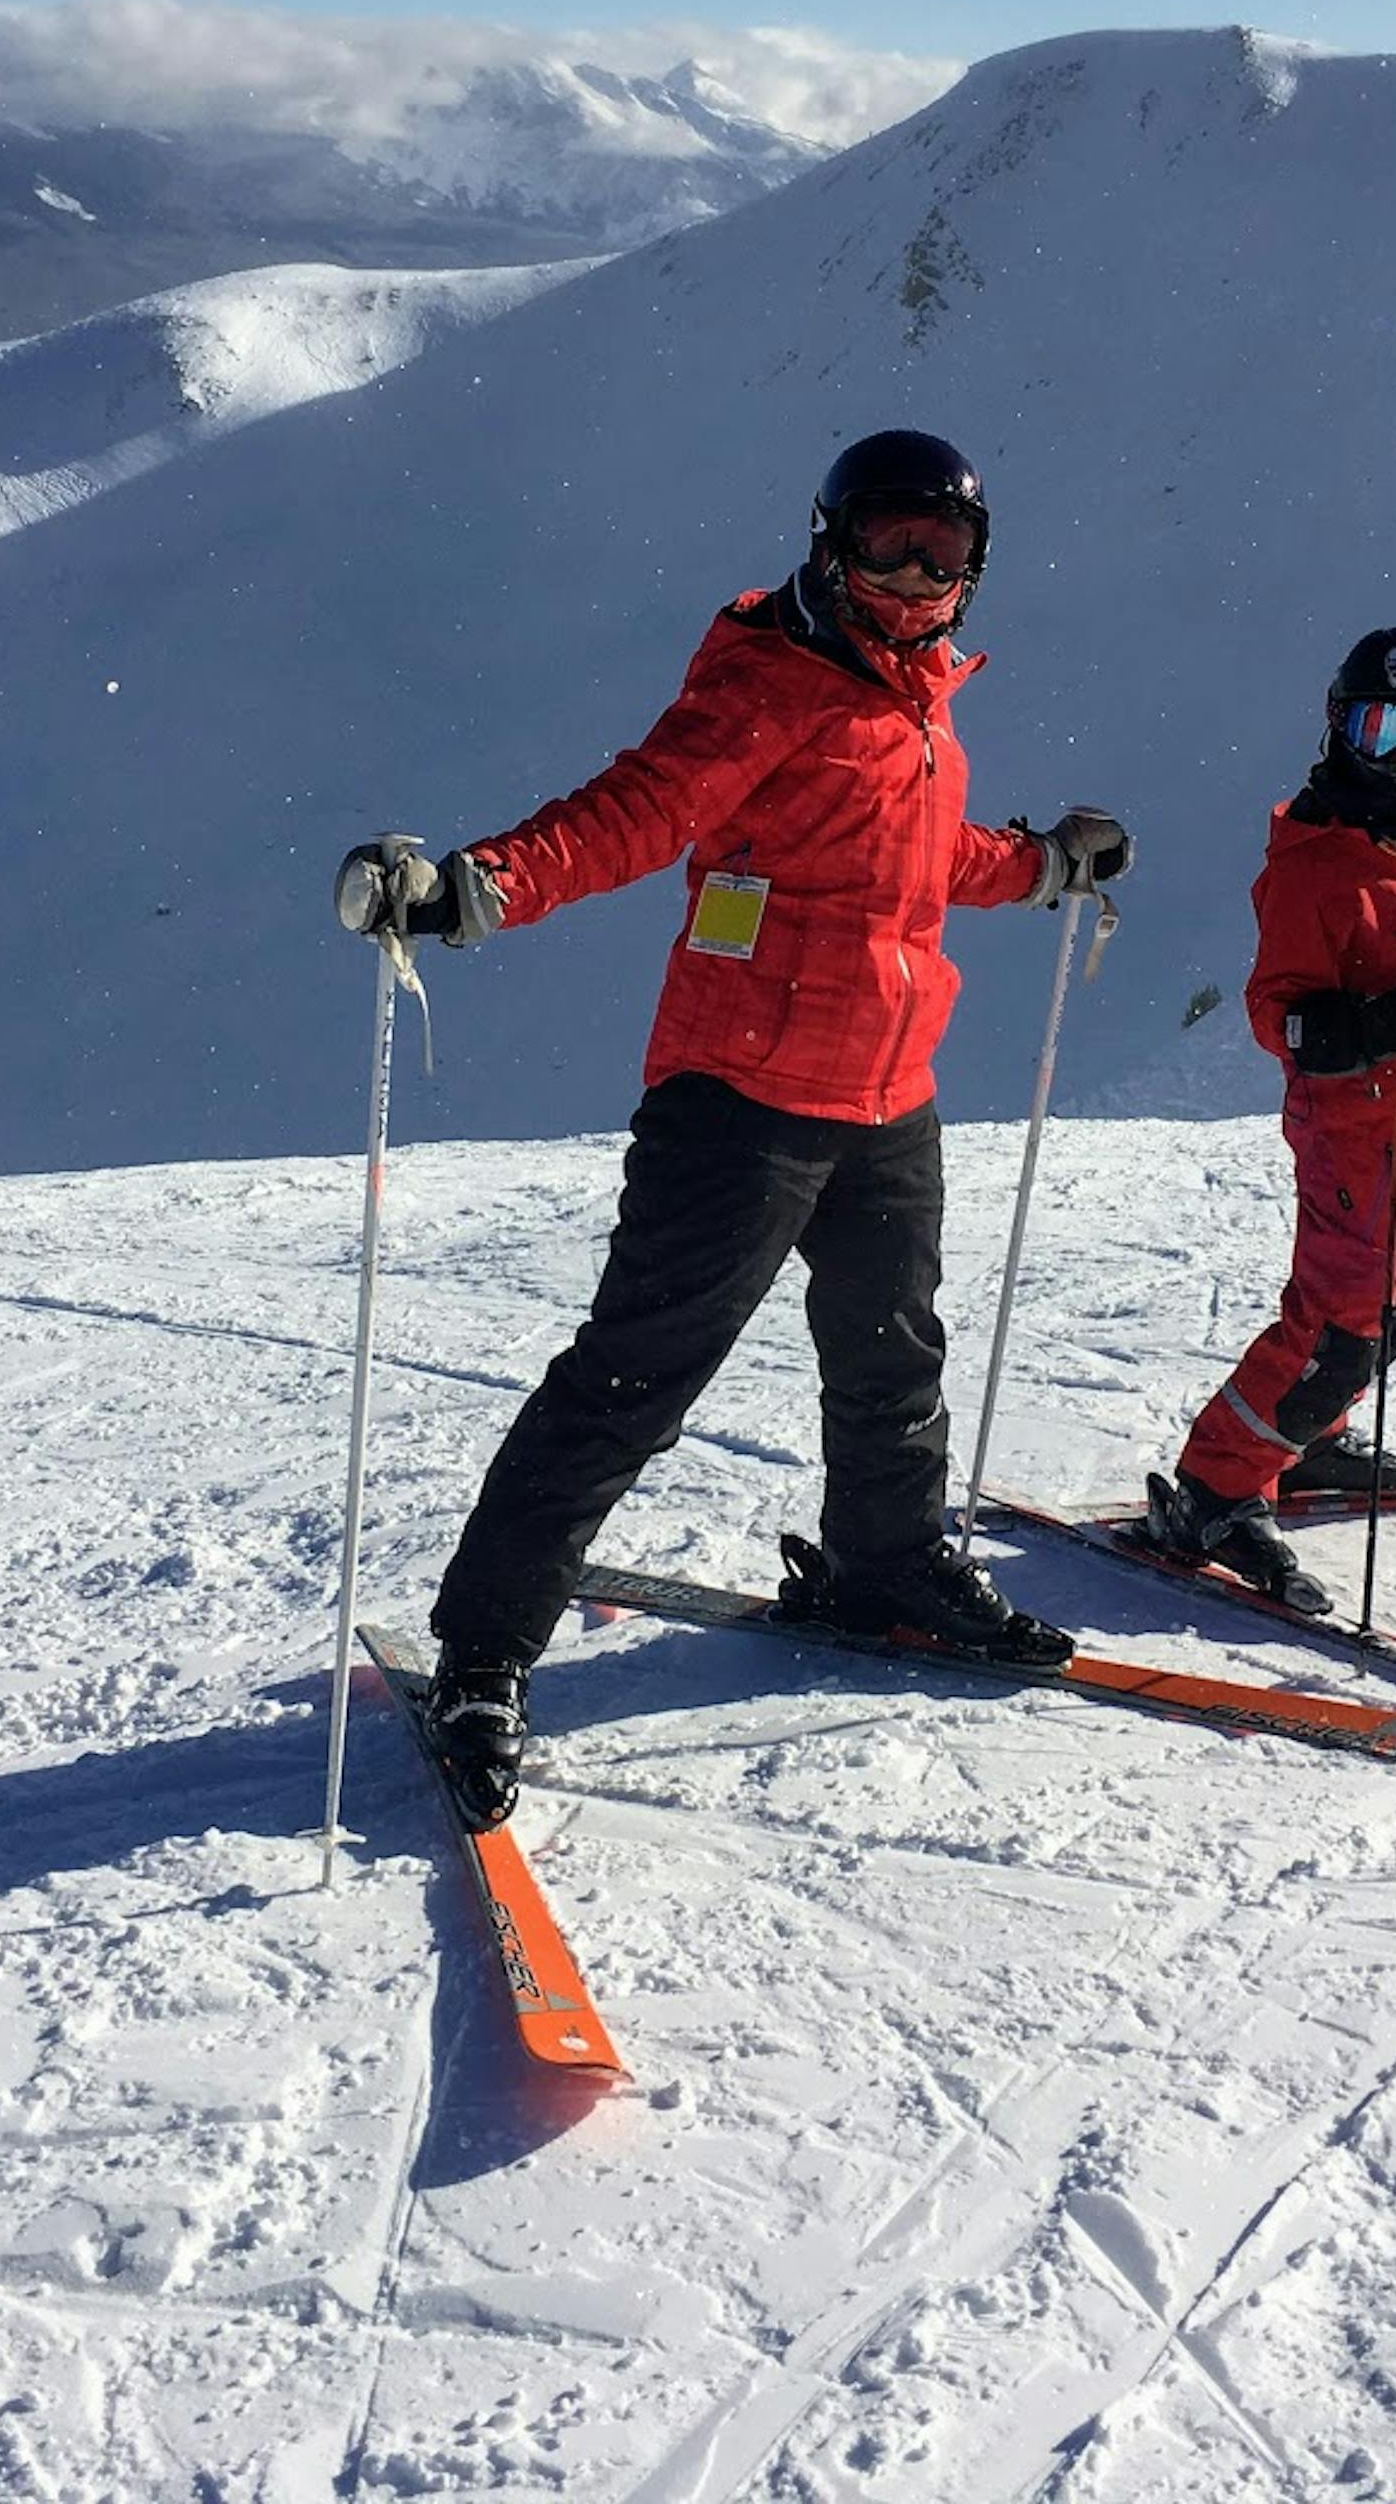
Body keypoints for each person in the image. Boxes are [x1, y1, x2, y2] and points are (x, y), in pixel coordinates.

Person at [336, 428, 1132, 1823]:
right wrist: (470, 889)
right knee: (637, 1377)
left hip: (887, 1092)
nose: (911, 574)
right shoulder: (768, 685)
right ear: (831, 544)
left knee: (892, 1356)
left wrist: (1047, 866)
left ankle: (886, 1562)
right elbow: (634, 816)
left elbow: (932, 857)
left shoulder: (917, 704)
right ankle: (484, 1651)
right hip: (741, 1097)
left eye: (941, 554)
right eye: (886, 544)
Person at [1142, 628, 1396, 1614]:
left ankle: (1309, 1443)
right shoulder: (1313, 862)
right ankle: (1215, 1489)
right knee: (1337, 1329)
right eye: (1384, 729)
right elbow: (1275, 1013)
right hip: (1351, 1134)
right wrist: (1356, 1029)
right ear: (1342, 727)